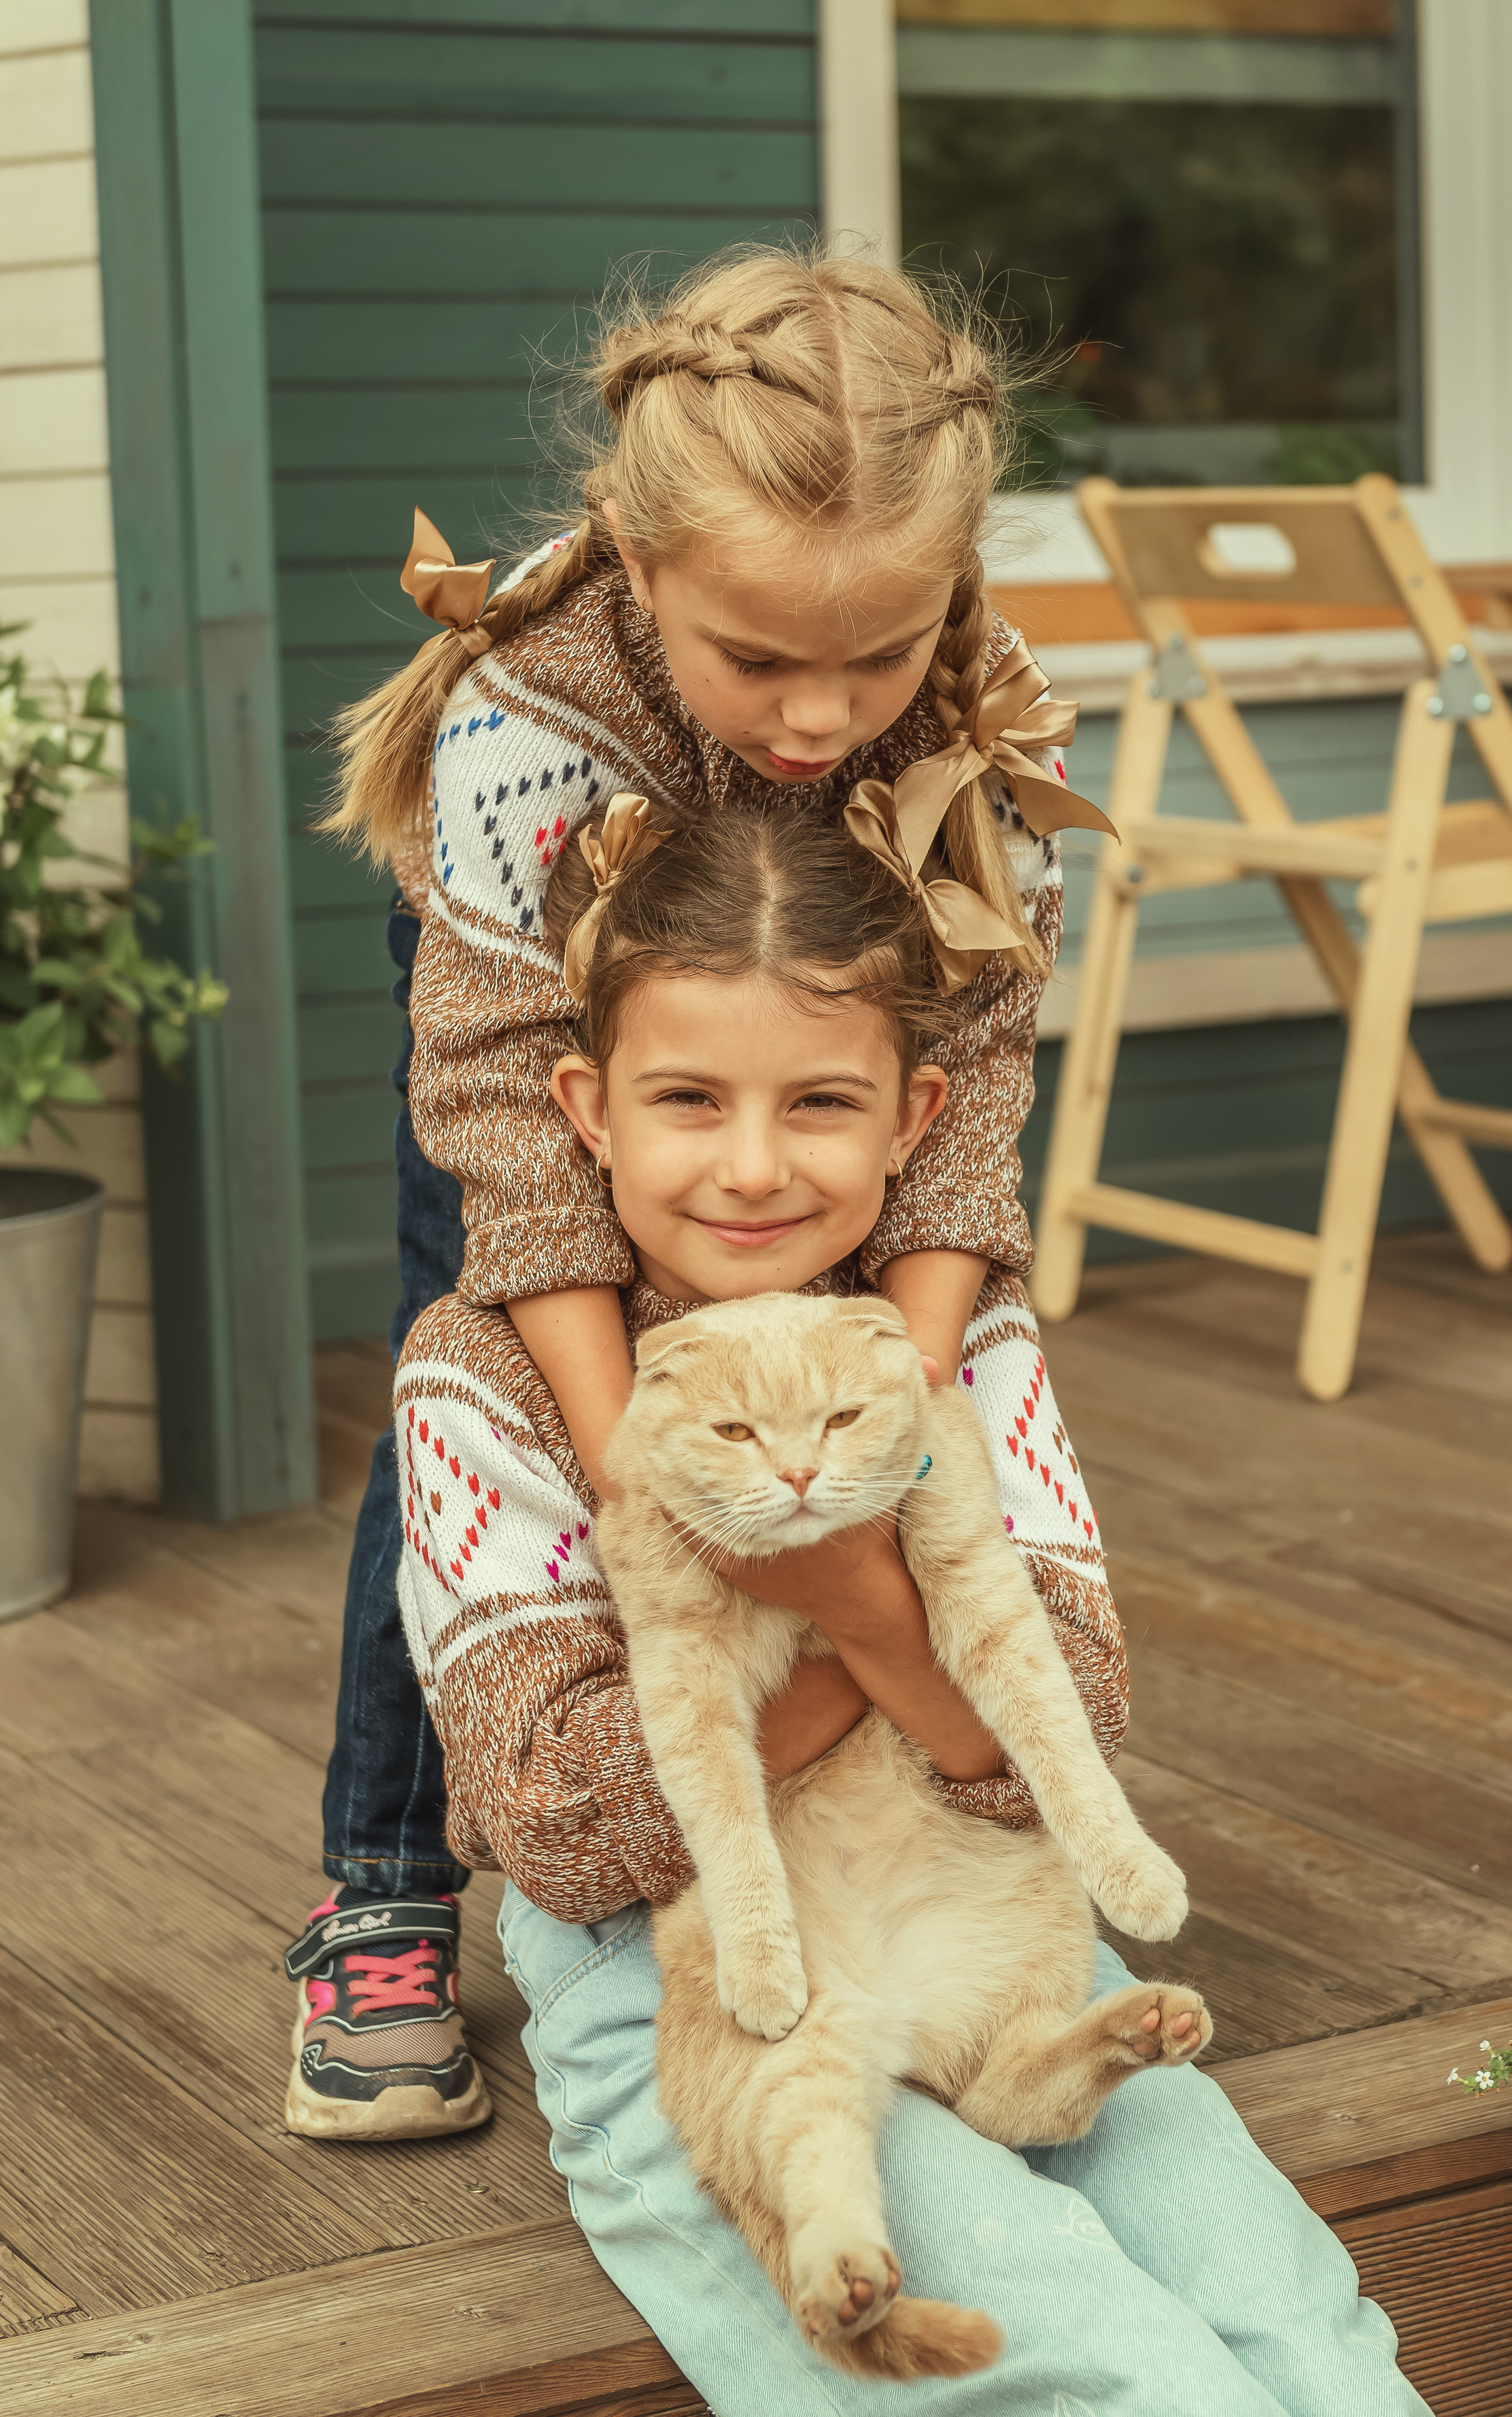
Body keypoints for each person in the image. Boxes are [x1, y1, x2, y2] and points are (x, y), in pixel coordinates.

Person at [392, 802, 1512, 2417]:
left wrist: (838, 1594)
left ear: (914, 1114)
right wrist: (869, 1626)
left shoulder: (934, 1342)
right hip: (700, 1991)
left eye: (821, 1101)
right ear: (585, 1108)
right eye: (692, 1099)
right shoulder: (482, 1380)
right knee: (1127, 2400)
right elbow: (549, 1825)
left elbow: (1074, 1694)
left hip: (992, 1930)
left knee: (1296, 2319)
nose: (755, 1167)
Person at [283, 243, 1112, 2140]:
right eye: (760, 659)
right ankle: (388, 1875)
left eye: (877, 657)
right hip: (545, 1041)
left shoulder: (995, 718)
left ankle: (877, 1798)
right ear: (643, 564)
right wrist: (650, 1466)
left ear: (954, 589)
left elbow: (969, 1095)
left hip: (841, 1056)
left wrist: (879, 1435)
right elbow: (509, 1138)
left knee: (872, 1428)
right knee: (475, 1379)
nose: (822, 719)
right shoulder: (529, 716)